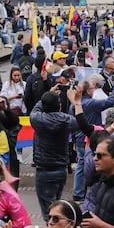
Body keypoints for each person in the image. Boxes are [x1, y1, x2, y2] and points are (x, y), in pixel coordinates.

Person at [29, 88, 74, 217]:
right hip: (62, 168)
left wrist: (47, 93)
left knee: (48, 212)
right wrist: (75, 103)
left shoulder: (37, 119)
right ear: (59, 106)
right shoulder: (66, 120)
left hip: (44, 169)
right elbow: (78, 122)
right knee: (56, 205)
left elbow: (35, 110)